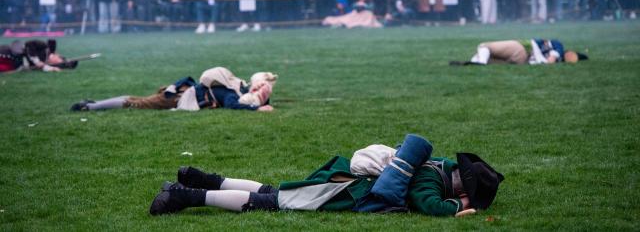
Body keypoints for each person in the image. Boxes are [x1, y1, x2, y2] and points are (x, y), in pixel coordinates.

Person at [149, 133, 503, 218]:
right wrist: (457, 205)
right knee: (269, 202)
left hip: (341, 178)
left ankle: (200, 178)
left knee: (275, 191)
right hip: (344, 192)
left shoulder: (437, 163)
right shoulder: (432, 180)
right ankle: (184, 195)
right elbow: (427, 204)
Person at [70, 67, 276, 111]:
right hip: (179, 97)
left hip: (182, 93)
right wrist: (256, 109)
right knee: (135, 103)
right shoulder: (235, 90)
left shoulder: (238, 86)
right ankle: (90, 107)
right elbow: (232, 104)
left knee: (136, 99)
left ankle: (93, 104)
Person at [450, 39, 588, 66]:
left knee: (484, 46)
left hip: (521, 48)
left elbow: (553, 55)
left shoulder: (558, 46)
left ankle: (478, 63)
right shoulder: (557, 52)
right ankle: (472, 64)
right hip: (523, 62)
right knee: (491, 59)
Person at [0, 39, 77, 73]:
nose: (57, 63)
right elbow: (29, 44)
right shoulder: (44, 46)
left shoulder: (45, 62)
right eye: (59, 61)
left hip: (13, 64)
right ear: (56, 55)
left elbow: (42, 67)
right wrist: (36, 61)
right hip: (6, 54)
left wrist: (52, 69)